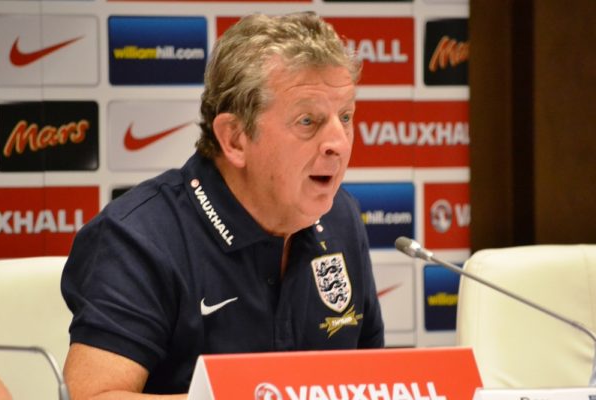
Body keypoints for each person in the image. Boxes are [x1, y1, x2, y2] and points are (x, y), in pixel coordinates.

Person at [61, 11, 384, 399]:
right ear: (234, 139)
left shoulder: (341, 217)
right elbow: (95, 396)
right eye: (307, 122)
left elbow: (371, 383)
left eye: (345, 116)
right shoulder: (138, 237)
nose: (340, 143)